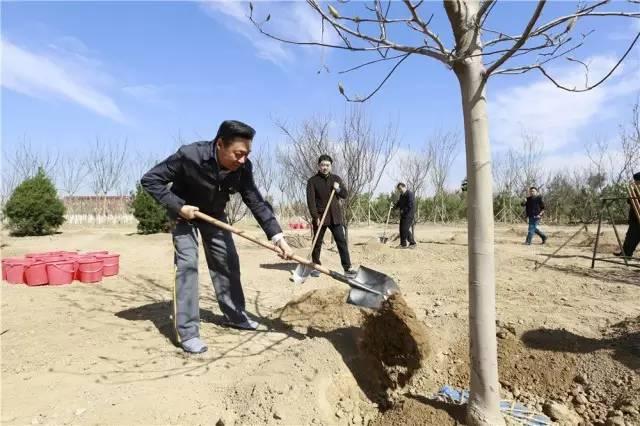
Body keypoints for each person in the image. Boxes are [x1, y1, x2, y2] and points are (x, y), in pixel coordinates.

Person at [141, 120, 293, 354]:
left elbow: (255, 201)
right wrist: (179, 207)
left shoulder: (243, 168)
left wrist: (278, 237)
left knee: (227, 260)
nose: (243, 160)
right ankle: (188, 332)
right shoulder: (189, 155)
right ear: (220, 144)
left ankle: (235, 315)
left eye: (247, 154)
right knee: (187, 264)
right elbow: (150, 180)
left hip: (214, 214)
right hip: (184, 214)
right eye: (238, 154)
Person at [306, 154, 356, 279]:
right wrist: (314, 216)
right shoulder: (312, 181)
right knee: (317, 243)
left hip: (335, 216)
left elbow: (344, 194)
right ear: (319, 166)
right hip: (320, 217)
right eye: (322, 165)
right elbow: (310, 201)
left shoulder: (336, 179)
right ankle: (316, 266)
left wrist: (338, 189)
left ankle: (347, 268)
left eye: (327, 165)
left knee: (341, 242)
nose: (325, 167)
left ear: (331, 166)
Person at [614, 171, 640, 258]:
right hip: (635, 218)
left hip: (637, 219)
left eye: (636, 181)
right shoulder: (635, 189)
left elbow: (630, 201)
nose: (635, 182)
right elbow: (629, 201)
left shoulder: (637, 189)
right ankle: (626, 253)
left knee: (632, 236)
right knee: (630, 237)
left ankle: (626, 253)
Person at [393, 183, 416, 249]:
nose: (399, 190)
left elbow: (410, 205)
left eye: (400, 189)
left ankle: (407, 244)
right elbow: (399, 203)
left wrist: (403, 210)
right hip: (403, 214)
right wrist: (394, 206)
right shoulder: (401, 195)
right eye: (398, 189)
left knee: (404, 229)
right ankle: (408, 243)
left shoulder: (410, 194)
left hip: (409, 214)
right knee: (402, 229)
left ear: (404, 187)